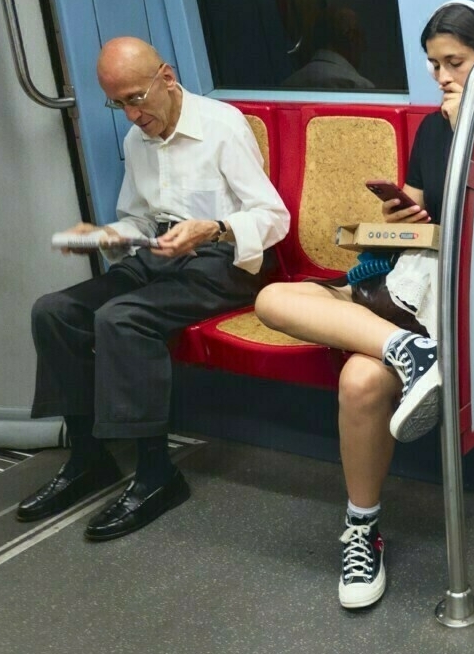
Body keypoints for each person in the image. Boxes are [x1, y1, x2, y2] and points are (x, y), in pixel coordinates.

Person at [254, 0, 474, 609]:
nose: (441, 77)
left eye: (453, 62)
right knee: (273, 296)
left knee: (358, 381)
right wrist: (400, 209)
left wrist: (467, 137)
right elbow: (421, 203)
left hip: (460, 293)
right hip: (405, 279)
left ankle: (361, 528)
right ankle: (408, 351)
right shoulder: (433, 128)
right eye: (432, 64)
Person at [18, 37, 290, 540]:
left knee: (121, 318)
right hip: (160, 256)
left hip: (223, 260)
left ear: (167, 78)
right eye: (117, 103)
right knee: (53, 311)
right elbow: (139, 219)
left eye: (135, 98)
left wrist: (212, 228)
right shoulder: (136, 139)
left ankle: (156, 473)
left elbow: (273, 218)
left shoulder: (221, 126)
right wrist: (107, 235)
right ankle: (88, 457)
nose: (130, 115)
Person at [282, 6, 376, 90]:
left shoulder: (287, 85)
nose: (364, 47)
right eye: (360, 36)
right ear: (351, 37)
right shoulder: (361, 88)